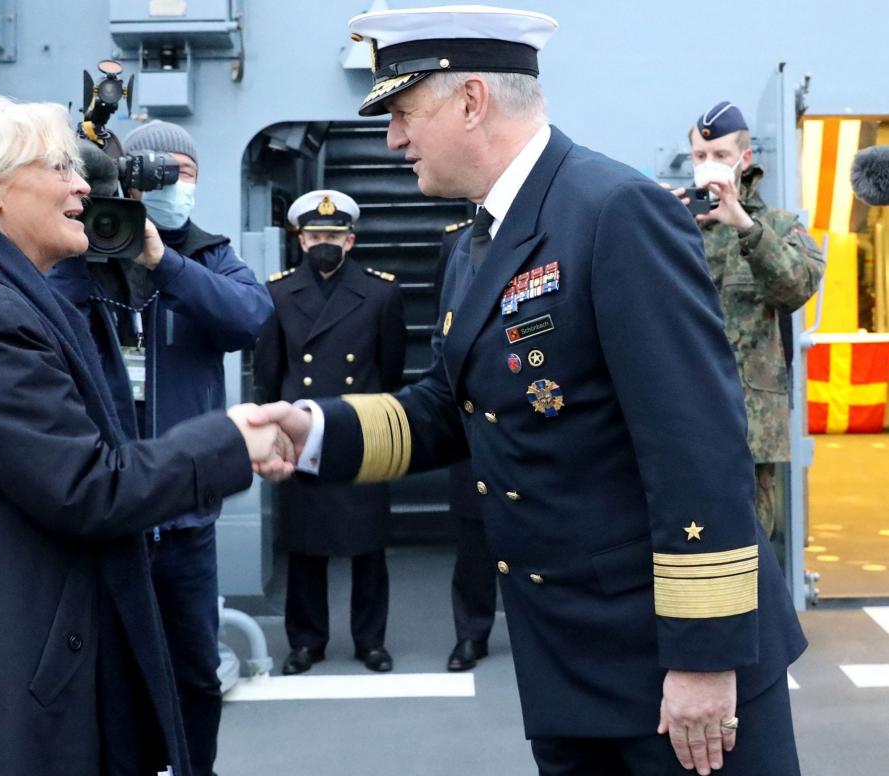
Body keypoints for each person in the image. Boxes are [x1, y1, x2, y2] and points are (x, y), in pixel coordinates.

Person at [253, 6, 807, 775]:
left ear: (471, 101)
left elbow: (697, 444)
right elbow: (450, 406)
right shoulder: (481, 239)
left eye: (404, 114)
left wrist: (704, 659)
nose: (393, 140)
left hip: (665, 667)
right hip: (565, 659)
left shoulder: (612, 211)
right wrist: (310, 431)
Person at [0, 88, 290, 776]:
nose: (83, 185)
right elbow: (86, 486)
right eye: (59, 168)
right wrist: (230, 440)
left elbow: (245, 317)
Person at [51, 120, 273, 776]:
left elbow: (249, 320)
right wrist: (99, 250)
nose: (174, 186)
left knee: (195, 677)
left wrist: (160, 263)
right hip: (102, 512)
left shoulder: (207, 257)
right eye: (158, 173)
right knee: (100, 677)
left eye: (186, 173)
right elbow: (38, 312)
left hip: (183, 519)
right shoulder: (78, 253)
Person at [254, 189, 406, 675]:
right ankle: (306, 642)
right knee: (305, 544)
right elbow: (269, 371)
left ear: (351, 240)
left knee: (368, 544)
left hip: (360, 426)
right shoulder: (276, 292)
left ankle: (370, 641)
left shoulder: (382, 292)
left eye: (334, 236)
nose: (325, 243)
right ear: (300, 240)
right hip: (302, 431)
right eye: (316, 235)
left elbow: (392, 368)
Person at [667, 102, 824, 545]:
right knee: (686, 546)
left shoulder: (777, 226)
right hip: (682, 418)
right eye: (700, 157)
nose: (708, 166)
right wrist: (658, 222)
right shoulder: (674, 222)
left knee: (750, 549)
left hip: (750, 428)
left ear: (744, 159)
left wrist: (744, 225)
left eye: (719, 155)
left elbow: (795, 288)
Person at [436, 215, 498, 672]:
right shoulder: (458, 242)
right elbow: (447, 328)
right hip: (474, 416)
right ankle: (471, 635)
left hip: (538, 408)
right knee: (474, 541)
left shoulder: (557, 227)